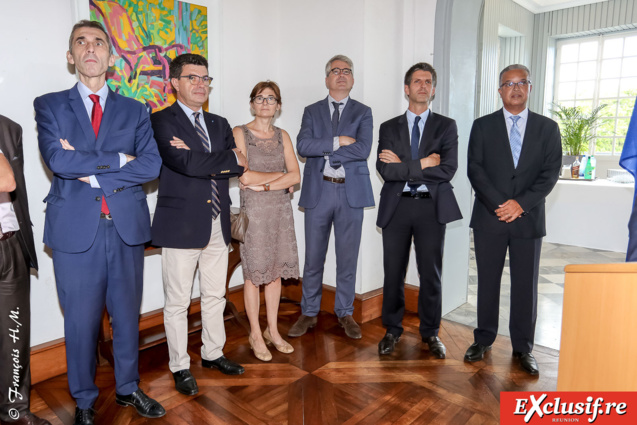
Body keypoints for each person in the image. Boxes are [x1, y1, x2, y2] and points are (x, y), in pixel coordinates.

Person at [34, 20, 164, 425]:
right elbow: (57, 160)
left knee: (127, 316)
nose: (90, 49)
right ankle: (85, 400)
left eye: (98, 43)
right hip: (76, 232)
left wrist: (88, 169)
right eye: (81, 43)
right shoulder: (50, 105)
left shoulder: (135, 109)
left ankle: (127, 389)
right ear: (71, 56)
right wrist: (118, 160)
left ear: (110, 57)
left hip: (125, 227)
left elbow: (152, 164)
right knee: (80, 321)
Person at [150, 53, 248, 396]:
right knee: (177, 302)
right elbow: (182, 163)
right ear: (175, 82)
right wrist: (219, 159)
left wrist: (203, 158)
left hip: (218, 224)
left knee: (215, 295)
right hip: (180, 226)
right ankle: (179, 365)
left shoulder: (220, 123)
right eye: (193, 77)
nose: (201, 84)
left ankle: (212, 353)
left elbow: (239, 164)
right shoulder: (161, 121)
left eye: (205, 78)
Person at [464, 64, 561, 375]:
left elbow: (550, 174)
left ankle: (523, 347)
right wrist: (500, 204)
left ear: (530, 87)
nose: (515, 88)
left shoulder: (548, 128)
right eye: (508, 83)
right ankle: (484, 339)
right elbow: (474, 169)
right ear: (500, 90)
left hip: (528, 219)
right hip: (489, 218)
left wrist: (521, 204)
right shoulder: (482, 126)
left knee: (525, 287)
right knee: (487, 283)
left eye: (522, 83)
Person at [376, 63, 462, 358]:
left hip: (430, 209)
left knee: (431, 273)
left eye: (428, 81)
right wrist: (425, 163)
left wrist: (405, 167)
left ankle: (430, 332)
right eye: (417, 81)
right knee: (393, 272)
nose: (422, 86)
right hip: (396, 208)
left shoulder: (446, 126)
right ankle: (392, 330)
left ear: (434, 90)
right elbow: (386, 170)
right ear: (406, 88)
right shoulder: (388, 127)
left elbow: (448, 170)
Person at [290, 54, 374, 340]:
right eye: (335, 71)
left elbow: (363, 150)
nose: (341, 74)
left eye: (347, 71)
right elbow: (303, 146)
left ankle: (345, 312)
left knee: (347, 258)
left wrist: (327, 151)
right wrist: (340, 141)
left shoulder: (363, 112)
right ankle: (309, 312)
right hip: (319, 191)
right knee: (313, 257)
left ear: (352, 79)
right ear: (327, 79)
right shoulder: (312, 111)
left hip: (351, 193)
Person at [233, 81, 300, 362]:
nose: (265, 103)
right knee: (253, 275)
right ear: (252, 103)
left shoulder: (283, 135)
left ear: (278, 106)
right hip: (255, 214)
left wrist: (265, 185)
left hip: (280, 212)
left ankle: (273, 330)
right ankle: (255, 334)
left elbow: (296, 175)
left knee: (274, 273)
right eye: (260, 98)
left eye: (271, 99)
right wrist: (277, 179)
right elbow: (244, 176)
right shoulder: (240, 132)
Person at [0, 115, 50, 425]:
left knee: (14, 334)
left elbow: (10, 184)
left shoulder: (8, 128)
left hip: (9, 244)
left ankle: (13, 411)